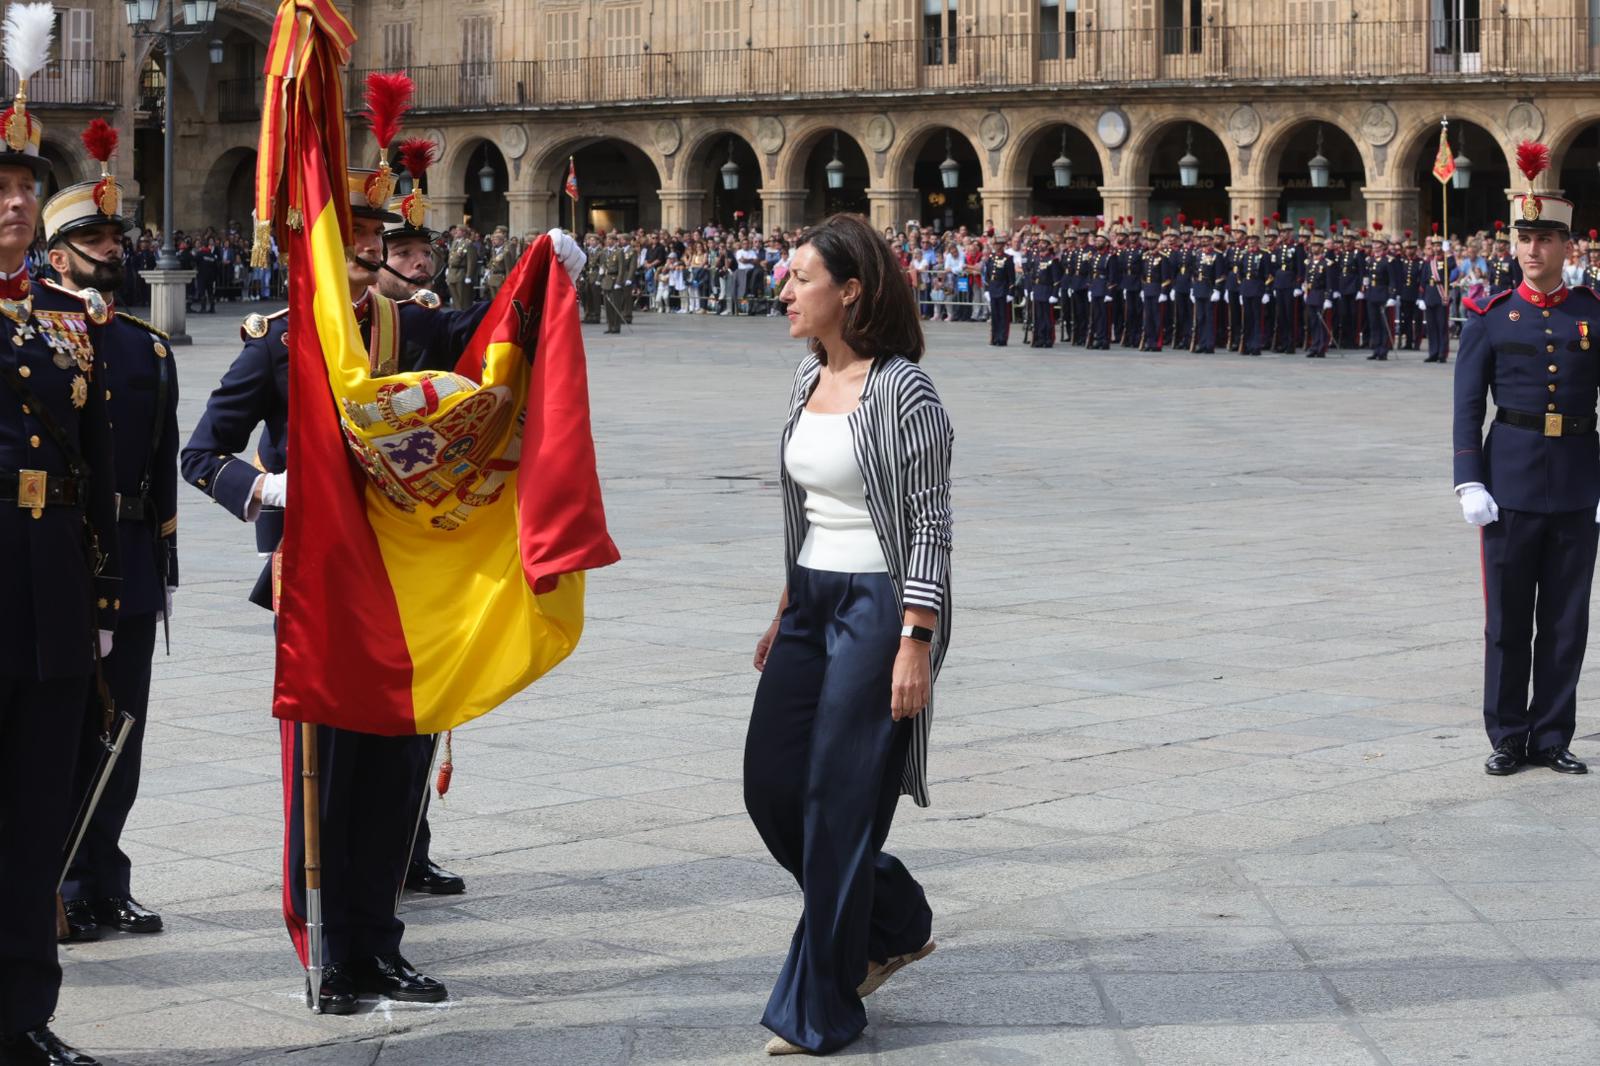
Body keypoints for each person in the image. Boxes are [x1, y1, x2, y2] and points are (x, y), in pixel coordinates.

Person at [181, 130, 461, 1014]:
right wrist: (270, 485)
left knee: (398, 771)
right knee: (330, 776)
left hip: (408, 580)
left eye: (376, 242)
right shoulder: (279, 343)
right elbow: (201, 453)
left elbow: (493, 356)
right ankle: (334, 950)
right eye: (354, 241)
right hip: (319, 588)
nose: (369, 255)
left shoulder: (414, 329)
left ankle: (380, 944)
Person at [747, 213, 949, 1057]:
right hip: (811, 599)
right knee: (769, 786)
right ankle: (894, 912)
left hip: (880, 602)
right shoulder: (804, 378)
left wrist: (916, 637)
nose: (784, 290)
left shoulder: (905, 389)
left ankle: (820, 1005)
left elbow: (931, 521)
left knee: (836, 804)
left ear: (851, 290)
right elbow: (805, 505)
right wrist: (786, 599)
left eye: (801, 278)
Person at [0, 36, 122, 1062]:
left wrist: (106, 600)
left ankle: (26, 1019)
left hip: (50, 597)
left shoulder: (71, 320)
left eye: (20, 190)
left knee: (38, 819)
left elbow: (93, 473)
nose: (7, 204)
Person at [41, 122, 180, 948]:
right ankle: (47, 882)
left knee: (121, 730)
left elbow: (160, 464)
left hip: (129, 560)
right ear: (58, 256)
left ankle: (102, 878)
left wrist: (162, 561)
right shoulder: (34, 338)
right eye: (90, 238)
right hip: (55, 559)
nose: (109, 249)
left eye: (112, 236)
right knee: (55, 732)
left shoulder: (143, 348)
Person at [1453, 141, 1596, 778]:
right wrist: (1467, 481)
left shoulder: (1592, 315)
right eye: (1524, 238)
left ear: (1569, 247)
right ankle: (1509, 733)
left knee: (1566, 624)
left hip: (1575, 482)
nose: (1533, 249)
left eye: (1545, 239)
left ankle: (1552, 735)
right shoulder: (1490, 316)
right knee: (1508, 622)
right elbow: (1466, 406)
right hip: (1507, 483)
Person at [982, 235, 1015, 346]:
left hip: (1003, 290)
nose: (996, 246)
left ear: (1002, 245)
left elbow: (1011, 278)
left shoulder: (1008, 259)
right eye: (995, 244)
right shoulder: (991, 257)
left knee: (1003, 316)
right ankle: (994, 337)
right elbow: (987, 275)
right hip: (993, 289)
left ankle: (1002, 338)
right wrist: (987, 289)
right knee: (995, 315)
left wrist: (1010, 293)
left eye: (998, 244)